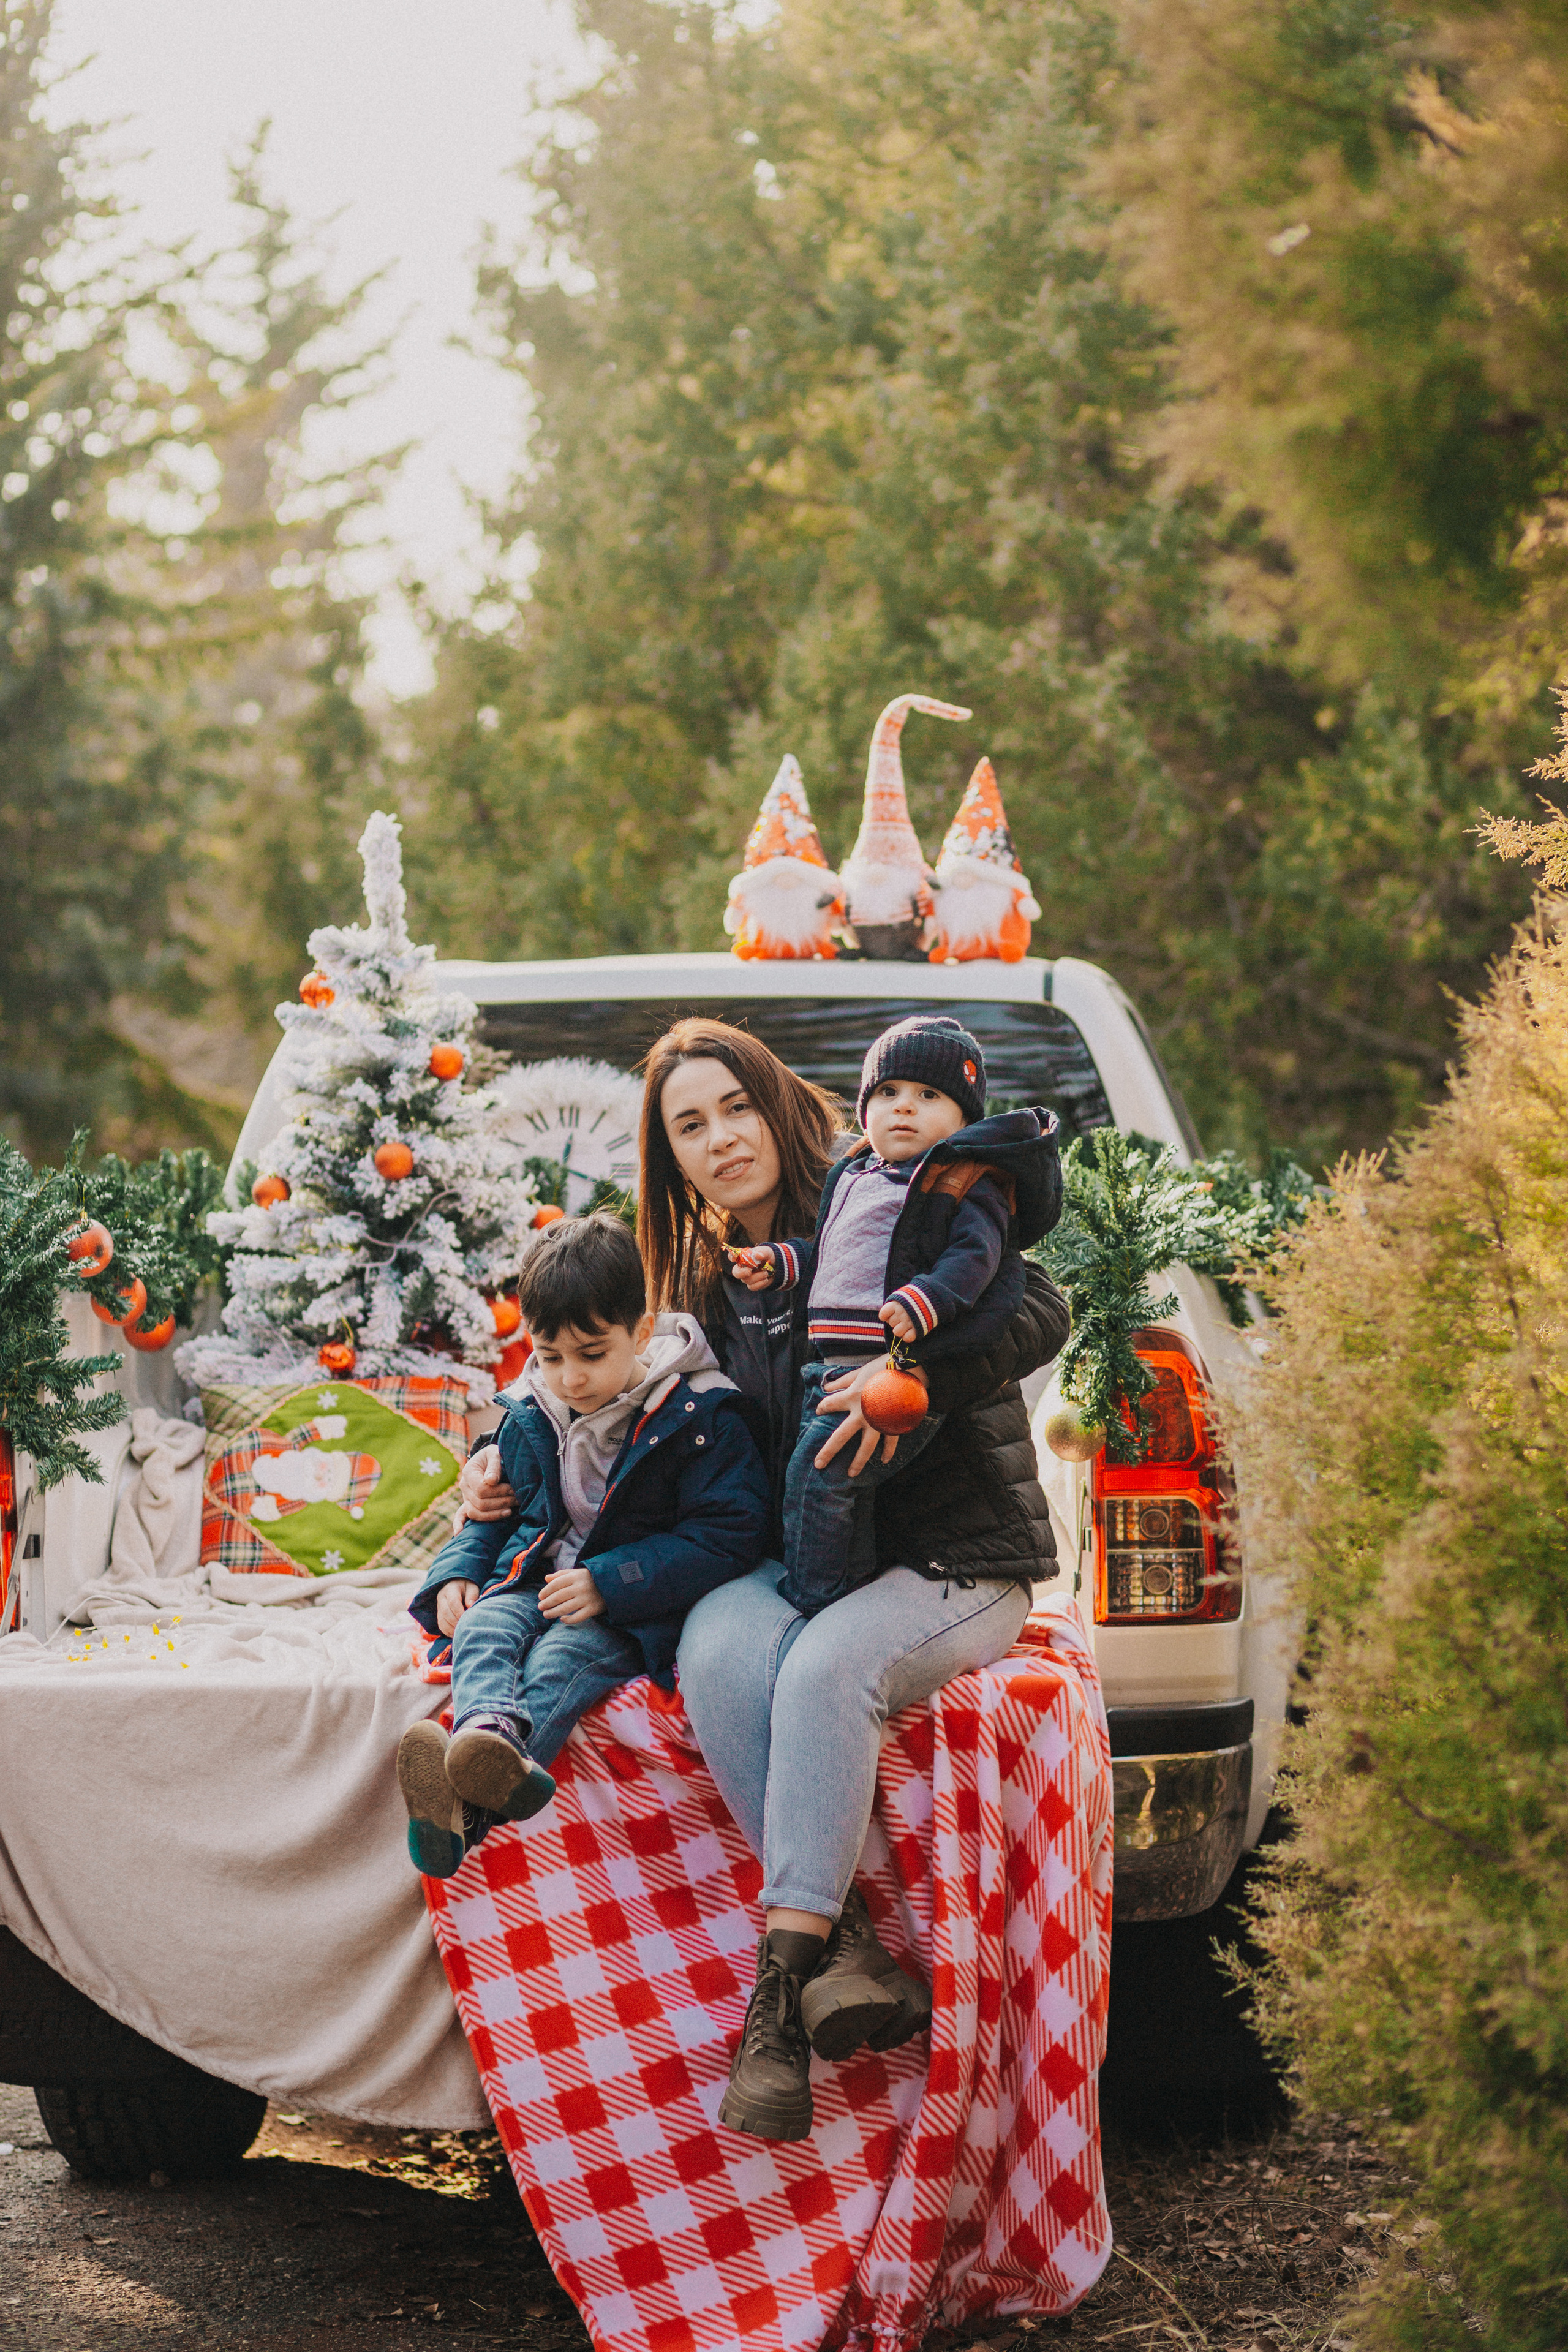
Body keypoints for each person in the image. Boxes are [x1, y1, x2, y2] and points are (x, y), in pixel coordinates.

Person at [457, 1019, 1071, 2144]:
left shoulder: (889, 1201)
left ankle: (775, 2014)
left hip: (951, 1554)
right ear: (670, 1156)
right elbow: (586, 1381)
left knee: (824, 1673)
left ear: (780, 1106)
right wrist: (505, 1463)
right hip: (788, 1557)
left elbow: (1038, 1304)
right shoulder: (691, 1280)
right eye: (690, 1125)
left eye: (736, 1107)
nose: (722, 1139)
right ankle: (845, 1952)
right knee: (716, 1651)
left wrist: (915, 1375)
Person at [398, 1211, 771, 1879]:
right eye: (550, 1356)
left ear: (642, 1332)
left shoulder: (702, 1414)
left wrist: (609, 1582)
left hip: (627, 1609)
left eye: (592, 1354)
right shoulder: (534, 1407)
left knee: (561, 1662)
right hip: (533, 1578)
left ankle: (463, 1809)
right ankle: (485, 1735)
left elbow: (729, 1535)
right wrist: (455, 1574)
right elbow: (497, 1508)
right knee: (483, 1624)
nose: (569, 1377)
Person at [731, 1014, 1060, 1621]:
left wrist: (926, 1300)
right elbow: (835, 1255)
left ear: (964, 1119)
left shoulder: (962, 1180)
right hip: (827, 1373)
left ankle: (811, 1604)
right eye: (888, 1093)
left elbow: (978, 1258)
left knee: (821, 1478)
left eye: (928, 1096)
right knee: (837, 1490)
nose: (903, 1107)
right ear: (864, 1111)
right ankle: (845, 1592)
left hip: (894, 1374)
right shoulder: (853, 1176)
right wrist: (780, 1263)